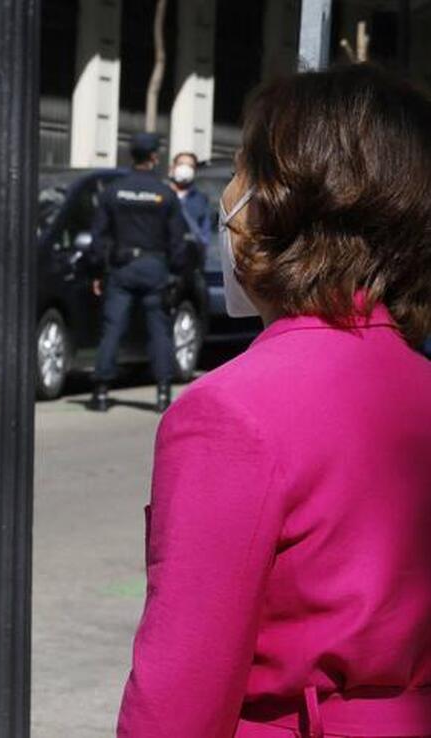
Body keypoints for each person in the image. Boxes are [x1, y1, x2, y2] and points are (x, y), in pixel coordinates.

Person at [117, 64, 431, 738]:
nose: (226, 199)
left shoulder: (231, 413)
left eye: (237, 170)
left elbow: (180, 690)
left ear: (277, 202)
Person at [87, 131, 186, 413]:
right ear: (154, 157)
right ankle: (163, 393)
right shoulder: (165, 194)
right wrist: (176, 273)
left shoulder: (113, 191)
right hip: (155, 268)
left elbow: (99, 236)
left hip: (122, 268)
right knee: (159, 330)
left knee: (112, 328)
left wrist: (98, 270)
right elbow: (176, 239)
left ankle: (101, 392)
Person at [168, 150, 212, 252]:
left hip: (188, 257)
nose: (185, 169)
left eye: (190, 166)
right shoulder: (162, 193)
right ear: (172, 168)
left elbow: (205, 232)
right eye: (181, 164)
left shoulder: (200, 199)